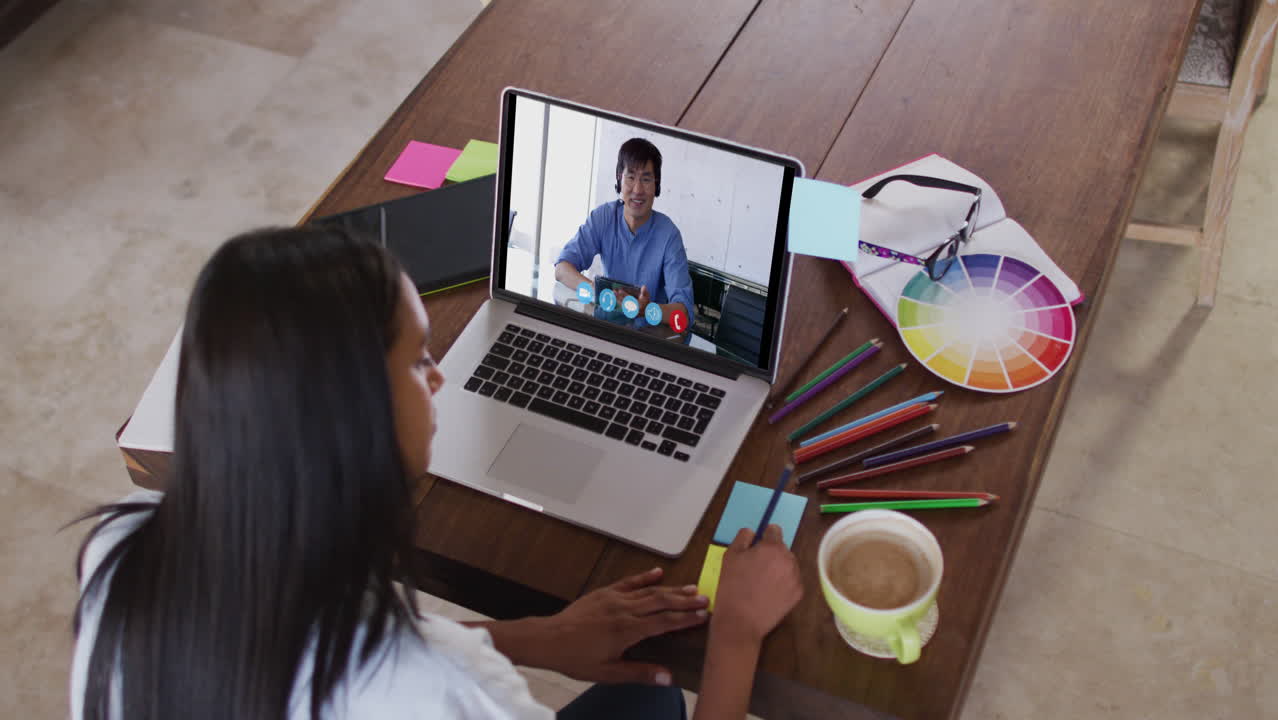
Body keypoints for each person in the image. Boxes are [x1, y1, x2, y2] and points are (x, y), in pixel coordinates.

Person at [71, 226, 802, 720]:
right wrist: (735, 633)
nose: (441, 379)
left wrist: (534, 638)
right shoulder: (442, 695)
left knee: (645, 699)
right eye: (420, 360)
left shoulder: (122, 553)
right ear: (358, 421)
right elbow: (410, 675)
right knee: (662, 697)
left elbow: (322, 645)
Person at [554, 138, 695, 334]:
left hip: (649, 339)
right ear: (619, 179)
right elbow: (561, 268)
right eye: (630, 177)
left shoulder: (669, 235)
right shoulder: (604, 217)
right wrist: (595, 292)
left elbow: (683, 314)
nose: (637, 190)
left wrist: (646, 310)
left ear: (657, 185)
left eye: (646, 179)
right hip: (606, 330)